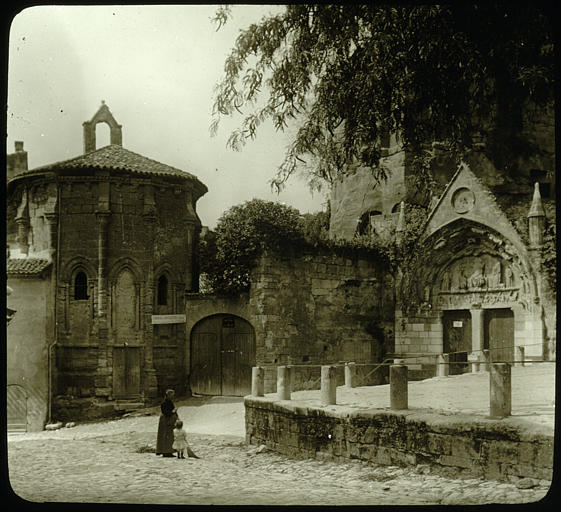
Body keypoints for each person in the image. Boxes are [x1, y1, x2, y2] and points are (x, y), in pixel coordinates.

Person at [156, 389, 178, 457]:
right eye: (172, 395)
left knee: (170, 436)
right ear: (168, 395)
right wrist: (173, 412)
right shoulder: (164, 403)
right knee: (165, 435)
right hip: (166, 421)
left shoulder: (170, 402)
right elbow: (165, 412)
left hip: (170, 420)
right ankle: (165, 451)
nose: (173, 396)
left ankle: (169, 451)